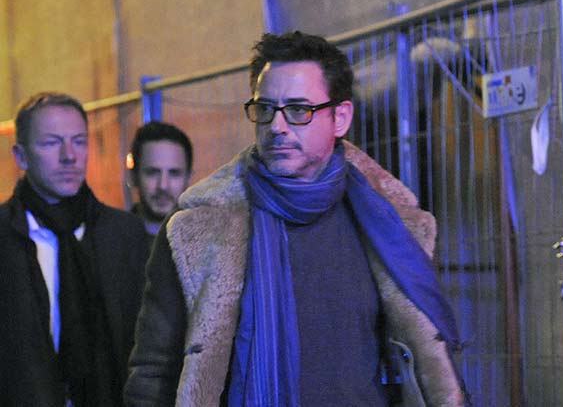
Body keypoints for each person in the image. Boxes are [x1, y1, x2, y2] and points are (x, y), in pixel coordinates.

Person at [125, 31, 468, 406]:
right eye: (265, 109)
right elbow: (153, 375)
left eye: (299, 110)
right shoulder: (200, 228)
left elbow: (427, 359)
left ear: (340, 117)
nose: (277, 127)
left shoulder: (389, 224)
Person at [0, 91, 150, 406]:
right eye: (51, 142)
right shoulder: (5, 236)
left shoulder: (124, 234)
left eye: (79, 141)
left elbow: (145, 341)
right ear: (21, 157)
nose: (69, 156)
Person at [128, 121, 193, 243]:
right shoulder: (110, 241)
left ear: (188, 178)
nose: (163, 186)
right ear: (134, 176)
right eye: (152, 172)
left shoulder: (205, 242)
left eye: (174, 173)